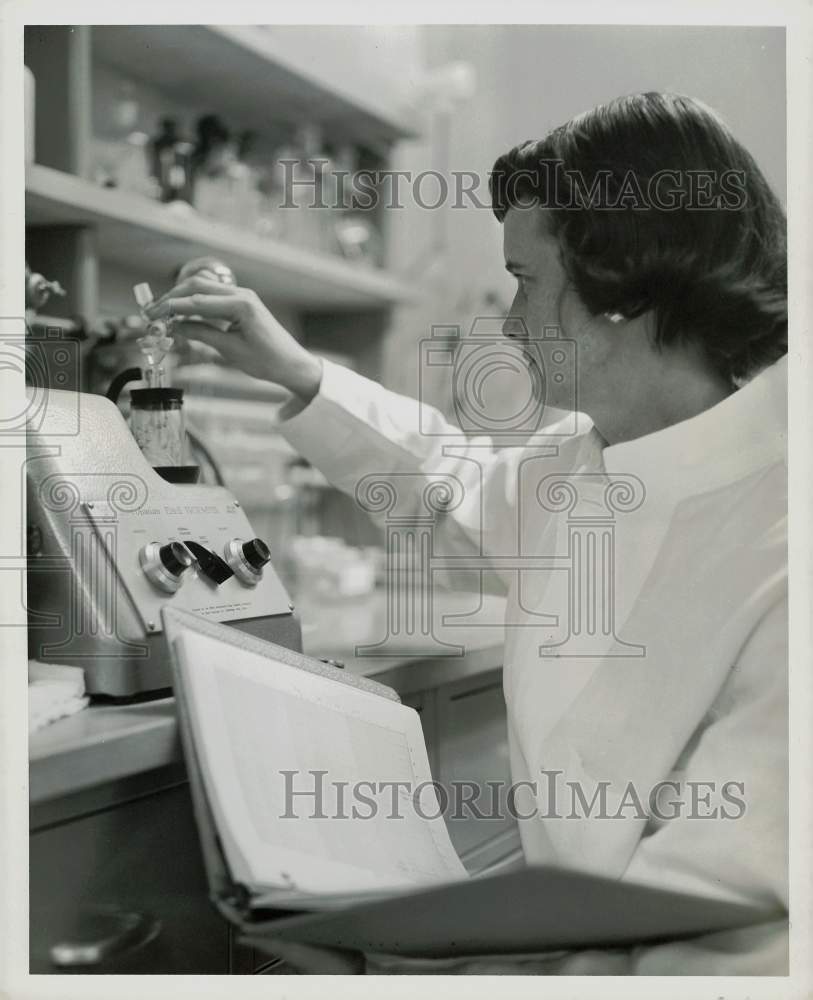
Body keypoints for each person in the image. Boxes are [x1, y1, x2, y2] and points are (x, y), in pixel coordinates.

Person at [145, 93, 788, 974]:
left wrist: (433, 972)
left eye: (526, 282)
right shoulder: (591, 461)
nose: (508, 323)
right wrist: (294, 370)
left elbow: (719, 949)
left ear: (625, 290)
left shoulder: (783, 540)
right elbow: (446, 488)